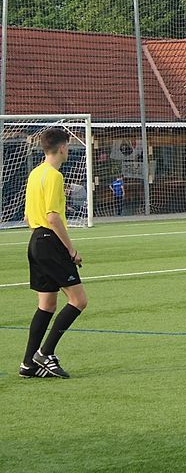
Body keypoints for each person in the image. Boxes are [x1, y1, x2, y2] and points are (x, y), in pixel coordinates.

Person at [19, 127, 89, 378]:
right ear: (61, 147)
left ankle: (28, 364)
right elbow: (53, 217)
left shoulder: (35, 173)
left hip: (35, 241)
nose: (68, 150)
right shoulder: (54, 176)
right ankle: (45, 353)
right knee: (79, 301)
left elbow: (28, 216)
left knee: (46, 305)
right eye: (67, 146)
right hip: (49, 241)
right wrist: (70, 250)